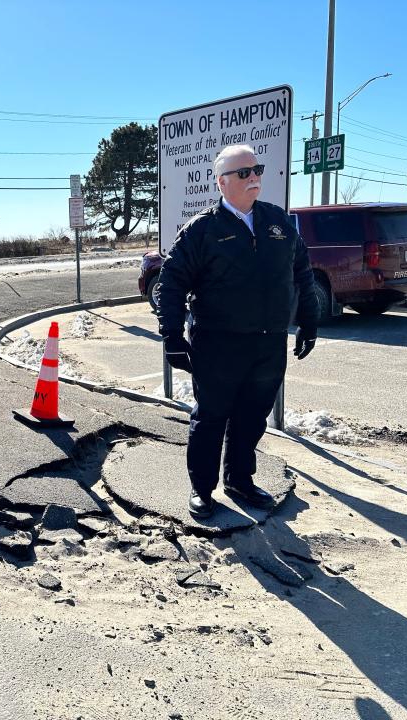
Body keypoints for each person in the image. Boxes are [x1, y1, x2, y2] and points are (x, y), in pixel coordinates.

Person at [156, 144, 319, 519]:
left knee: (252, 416)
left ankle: (240, 480)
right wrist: (172, 336)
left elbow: (303, 274)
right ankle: (201, 489)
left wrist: (309, 321)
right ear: (221, 182)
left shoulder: (277, 223)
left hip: (268, 342)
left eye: (257, 169)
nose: (254, 178)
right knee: (211, 417)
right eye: (244, 172)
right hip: (218, 343)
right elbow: (171, 283)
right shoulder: (202, 230)